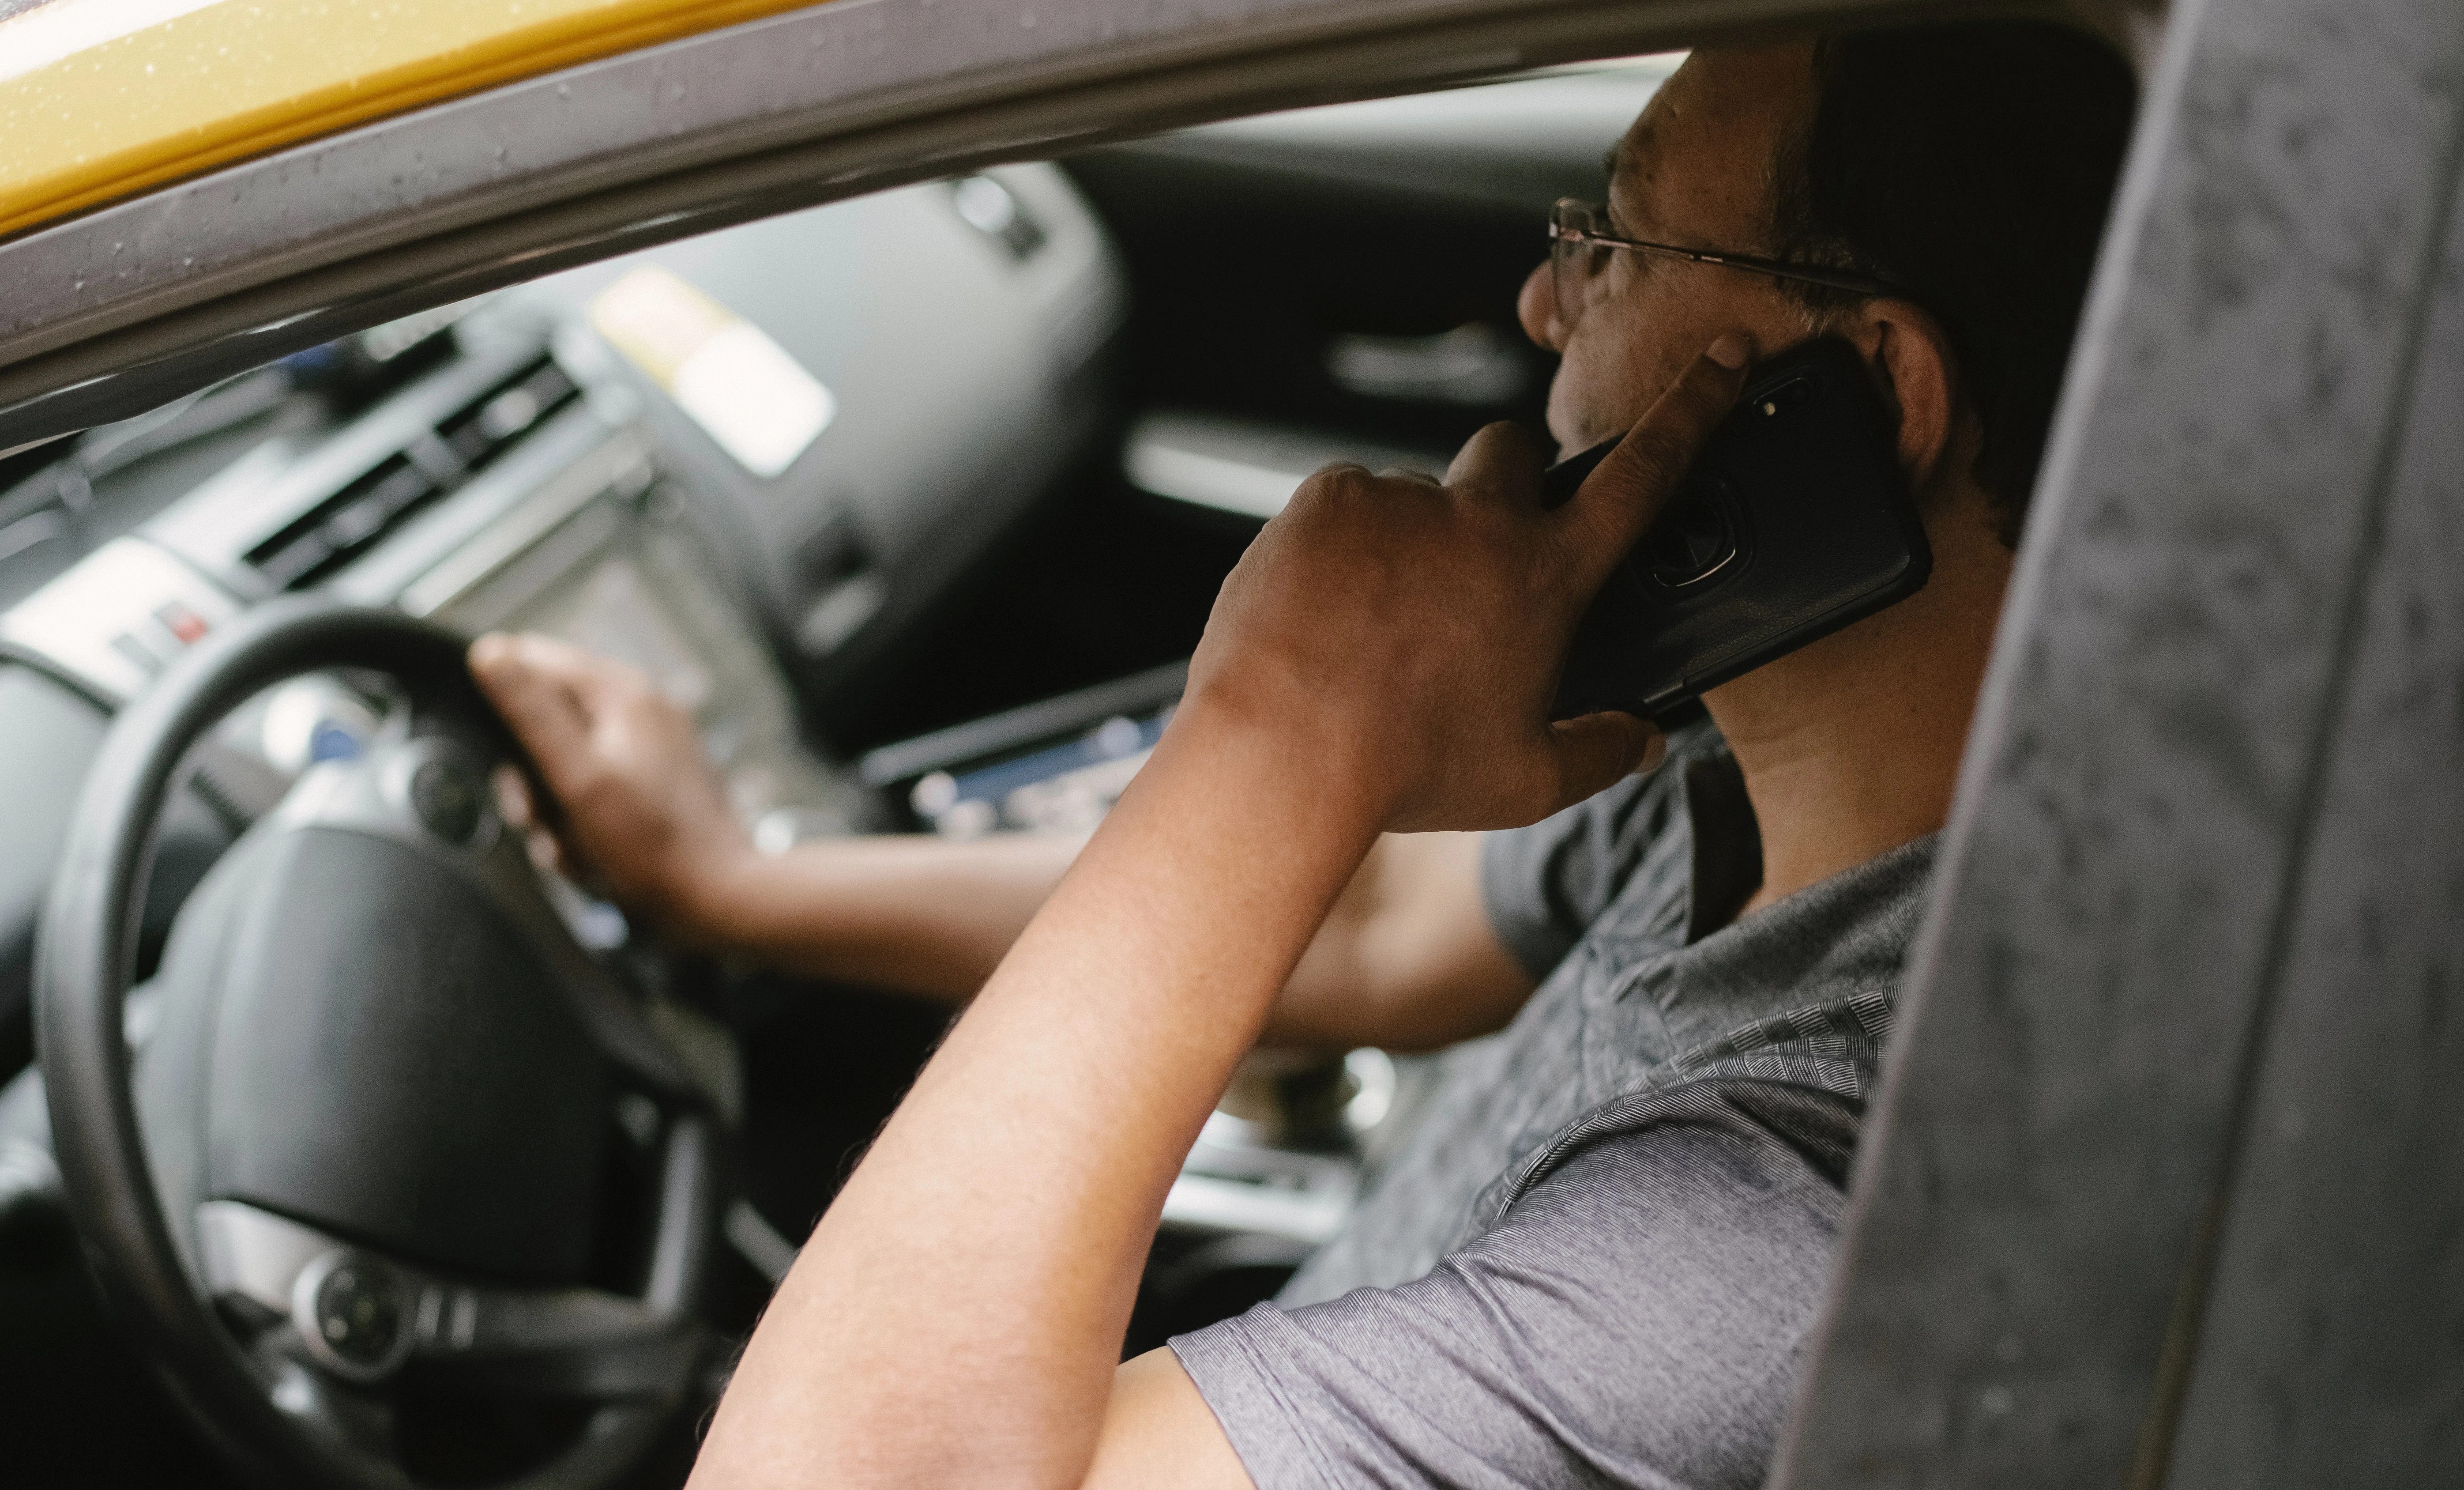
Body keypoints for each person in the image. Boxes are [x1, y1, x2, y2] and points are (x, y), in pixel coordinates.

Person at [470, 26, 2134, 1489]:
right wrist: (740, 885)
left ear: (1869, 390)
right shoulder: (1732, 775)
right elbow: (1379, 934)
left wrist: (1281, 723)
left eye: (1617, 238)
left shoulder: (1782, 1244)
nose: (1545, 299)